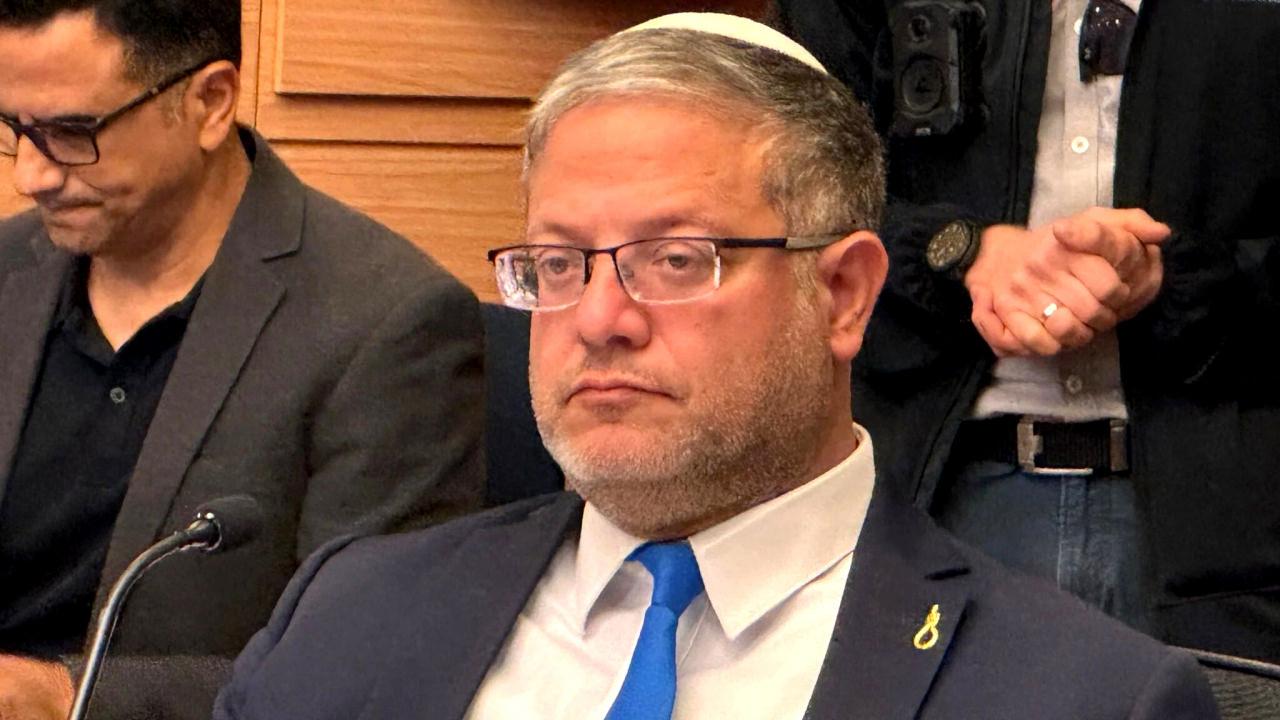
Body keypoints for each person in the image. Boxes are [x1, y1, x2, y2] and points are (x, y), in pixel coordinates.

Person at [213, 14, 1218, 720]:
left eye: (675, 260)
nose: (598, 318)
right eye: (557, 264)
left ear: (842, 294)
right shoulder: (349, 614)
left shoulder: (1077, 695)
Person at [0, 1, 484, 717]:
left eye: (72, 133)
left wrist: (57, 696)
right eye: (15, 129)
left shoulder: (388, 325)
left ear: (210, 102)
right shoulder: (8, 266)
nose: (31, 176)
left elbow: (362, 667)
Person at [771, 0, 1280, 661]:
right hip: (927, 495)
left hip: (1231, 532)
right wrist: (958, 253)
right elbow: (783, 201)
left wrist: (1171, 280)